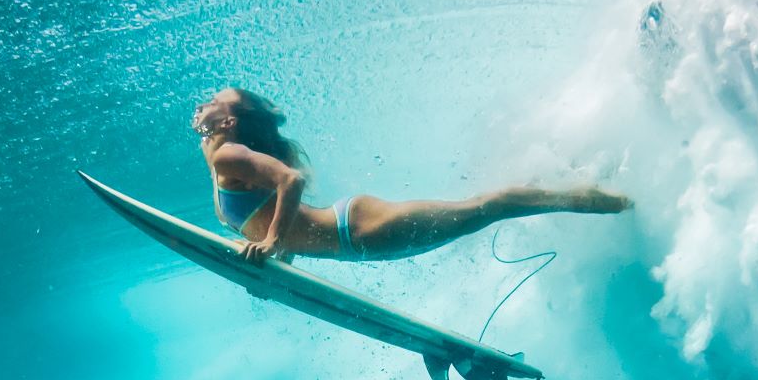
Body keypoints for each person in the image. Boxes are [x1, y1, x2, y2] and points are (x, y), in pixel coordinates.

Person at [194, 87, 628, 262]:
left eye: (216, 99)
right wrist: (276, 256)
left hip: (361, 231)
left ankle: (585, 197)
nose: (205, 102)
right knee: (480, 209)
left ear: (229, 121)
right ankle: (564, 183)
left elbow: (292, 181)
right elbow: (281, 221)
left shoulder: (226, 156)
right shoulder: (225, 157)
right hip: (352, 227)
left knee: (484, 208)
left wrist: (269, 244)